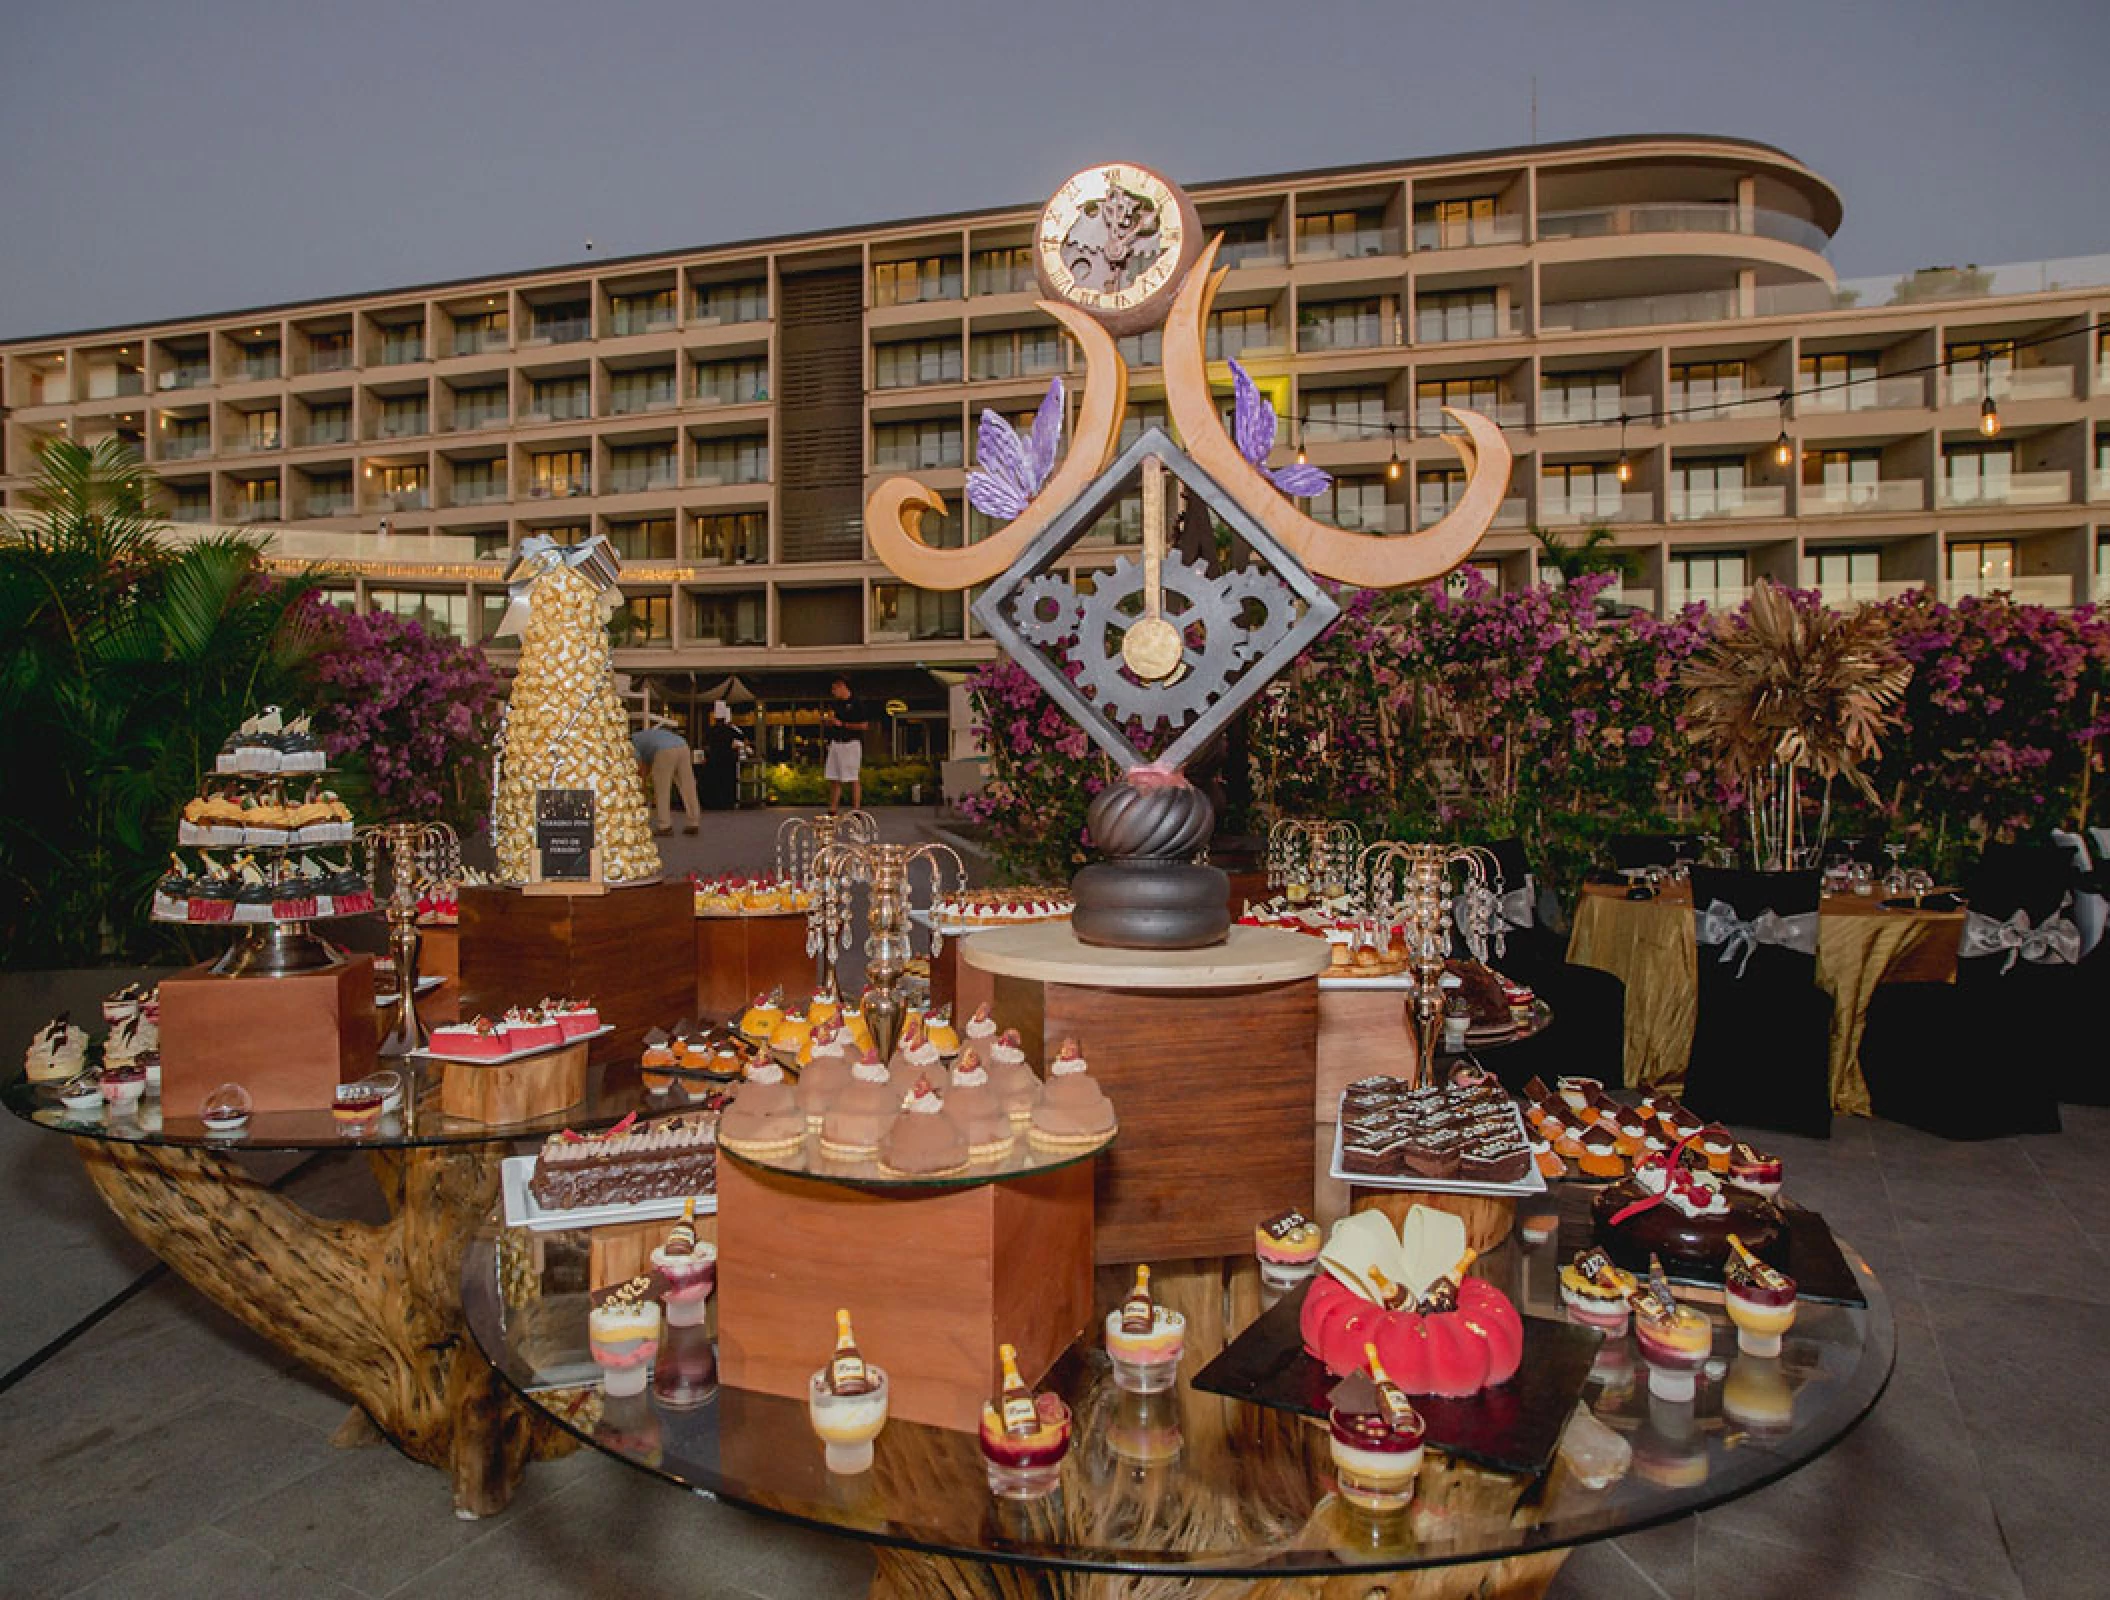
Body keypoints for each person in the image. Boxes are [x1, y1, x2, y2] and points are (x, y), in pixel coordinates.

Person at [632, 716, 701, 835]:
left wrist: (641, 787)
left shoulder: (632, 743)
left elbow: (641, 768)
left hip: (663, 751)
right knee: (688, 785)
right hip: (682, 745)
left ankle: (665, 825)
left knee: (662, 788)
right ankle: (693, 821)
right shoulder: (647, 735)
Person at [823, 676, 870, 814]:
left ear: (842, 686)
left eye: (835, 689)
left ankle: (856, 809)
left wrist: (843, 724)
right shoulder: (836, 704)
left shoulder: (857, 703)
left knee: (852, 777)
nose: (833, 692)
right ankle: (833, 808)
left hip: (850, 743)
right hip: (836, 742)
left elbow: (864, 725)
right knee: (834, 777)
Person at [699, 701, 745, 811]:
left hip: (714, 760)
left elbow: (705, 745)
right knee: (727, 783)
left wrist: (706, 756)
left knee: (715, 783)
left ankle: (714, 803)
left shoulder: (711, 731)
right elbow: (742, 737)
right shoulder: (729, 730)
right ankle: (727, 803)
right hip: (727, 759)